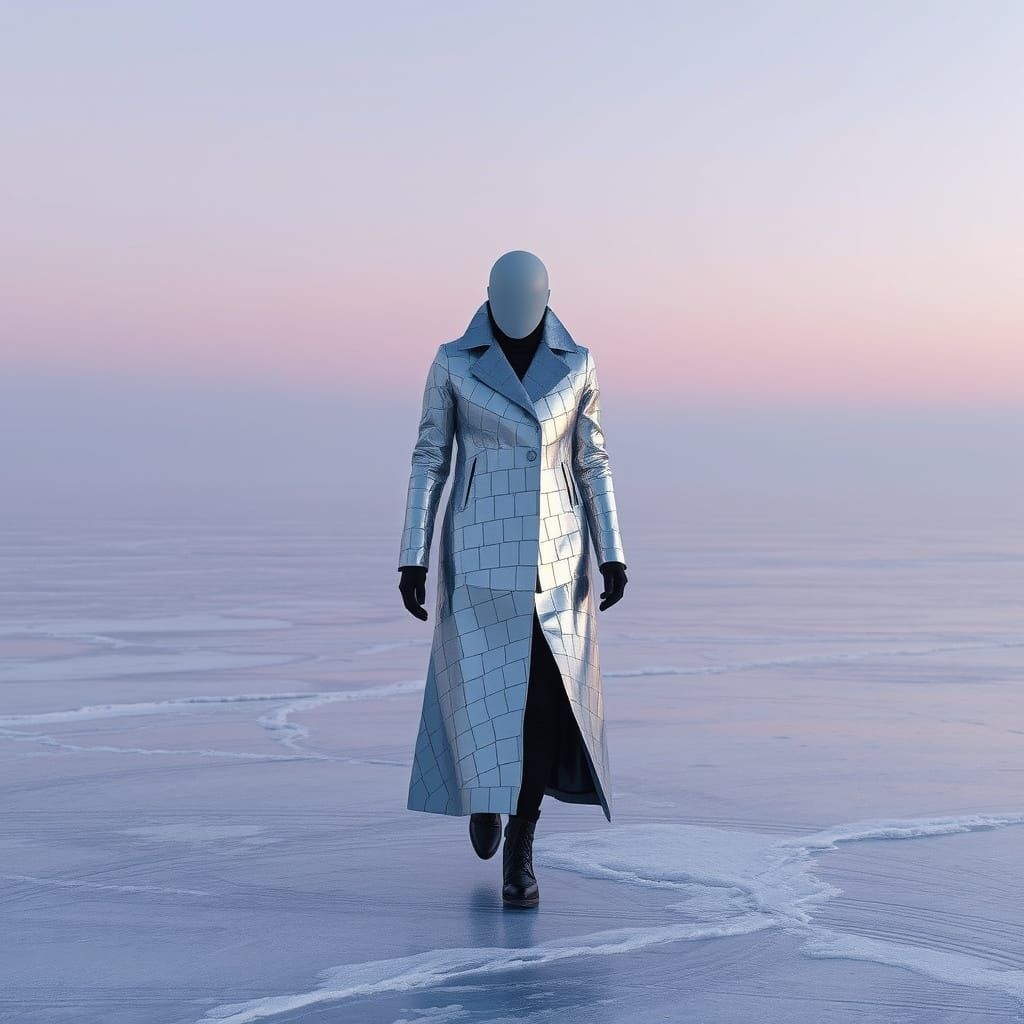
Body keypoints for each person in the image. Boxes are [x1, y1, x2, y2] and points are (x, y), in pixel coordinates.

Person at [398, 250, 628, 908]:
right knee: (481, 692)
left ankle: (520, 846)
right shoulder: (454, 362)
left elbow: (593, 460)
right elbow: (430, 458)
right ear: (490, 296)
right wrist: (413, 555)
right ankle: (484, 796)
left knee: (543, 704)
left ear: (547, 298)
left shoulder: (576, 364)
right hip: (478, 551)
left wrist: (612, 552)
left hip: (556, 557)